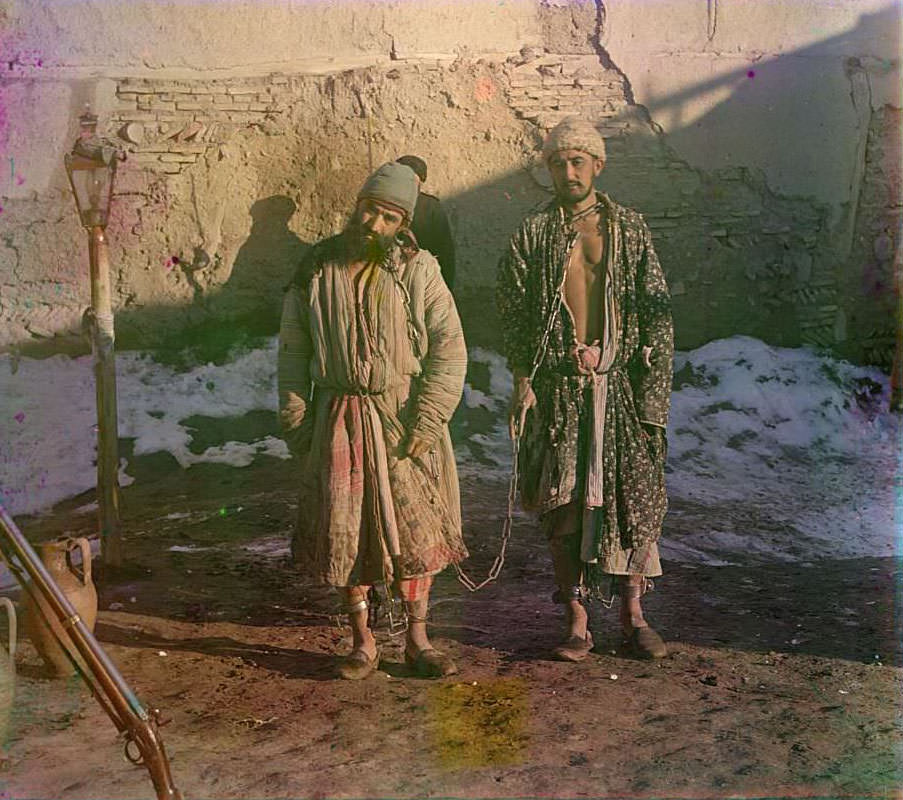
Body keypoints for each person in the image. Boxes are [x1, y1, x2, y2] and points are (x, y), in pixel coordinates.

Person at [278, 161, 468, 679]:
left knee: (415, 535)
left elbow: (450, 349)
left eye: (388, 217)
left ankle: (418, 639)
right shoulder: (316, 268)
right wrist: (298, 420)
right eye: (369, 210)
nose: (374, 225)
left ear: (403, 222)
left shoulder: (417, 269)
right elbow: (293, 352)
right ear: (355, 207)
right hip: (339, 416)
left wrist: (427, 421)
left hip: (401, 417)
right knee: (348, 529)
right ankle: (362, 641)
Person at [496, 117, 674, 662]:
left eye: (577, 162)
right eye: (557, 163)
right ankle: (576, 622)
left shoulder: (629, 229)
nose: (567, 172)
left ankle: (633, 616)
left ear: (598, 165)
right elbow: (516, 316)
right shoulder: (533, 233)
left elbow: (657, 313)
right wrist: (525, 378)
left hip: (620, 388)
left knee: (630, 501)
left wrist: (652, 396)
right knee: (564, 505)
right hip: (560, 391)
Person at [395, 155, 457, 290]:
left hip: (421, 280)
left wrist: (446, 289)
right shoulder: (384, 204)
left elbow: (445, 252)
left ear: (420, 181)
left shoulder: (431, 207)